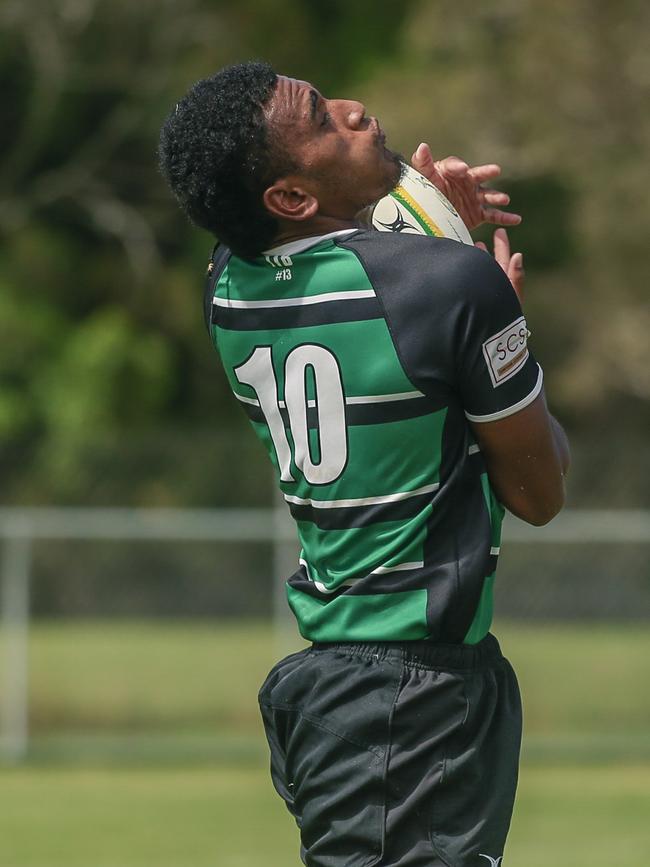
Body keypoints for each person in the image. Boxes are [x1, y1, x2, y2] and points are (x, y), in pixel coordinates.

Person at [159, 61, 570, 867]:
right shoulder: (459, 289)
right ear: (289, 197)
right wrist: (511, 331)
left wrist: (431, 228)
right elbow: (539, 489)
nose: (352, 110)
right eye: (321, 121)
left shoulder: (227, 286)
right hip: (410, 701)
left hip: (346, 691)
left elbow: (366, 278)